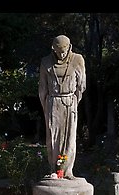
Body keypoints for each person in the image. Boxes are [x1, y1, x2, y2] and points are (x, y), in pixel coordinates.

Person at [39, 35, 86, 179]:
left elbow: (81, 85)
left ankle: (68, 170)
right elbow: (42, 88)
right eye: (59, 51)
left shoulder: (77, 59)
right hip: (53, 103)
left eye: (64, 50)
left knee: (70, 137)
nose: (62, 54)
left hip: (69, 102)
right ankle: (54, 168)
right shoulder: (46, 62)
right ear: (53, 49)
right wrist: (46, 106)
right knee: (52, 137)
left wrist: (73, 101)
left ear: (70, 47)